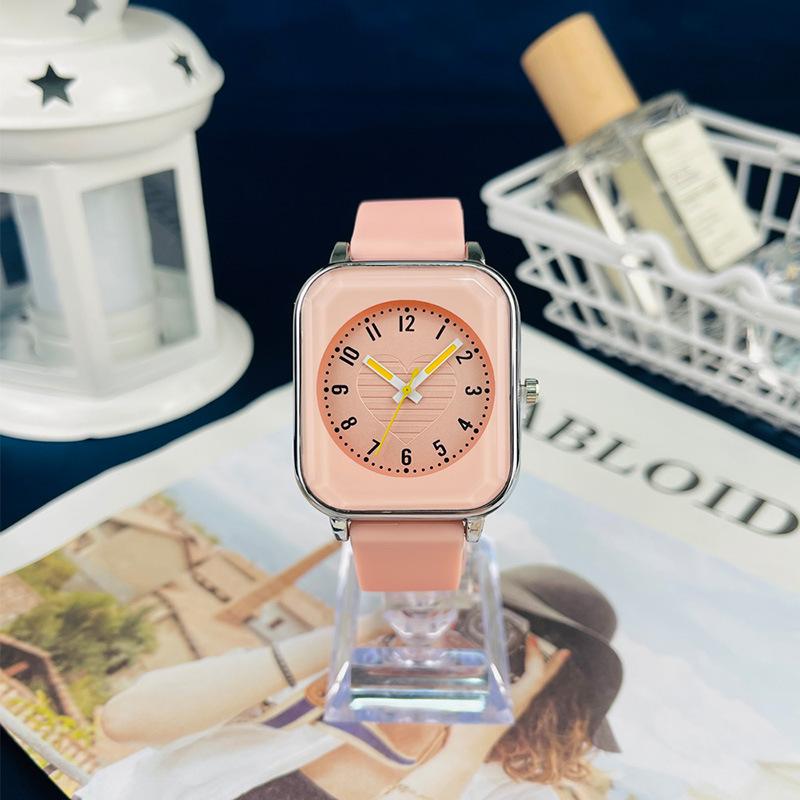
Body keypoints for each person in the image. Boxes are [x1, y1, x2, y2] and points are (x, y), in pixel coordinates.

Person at [81, 565, 622, 800]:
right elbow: (126, 721)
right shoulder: (335, 678)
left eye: (512, 641)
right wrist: (361, 630)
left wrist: (465, 752)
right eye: (476, 614)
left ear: (552, 688)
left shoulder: (511, 793)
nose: (473, 640)